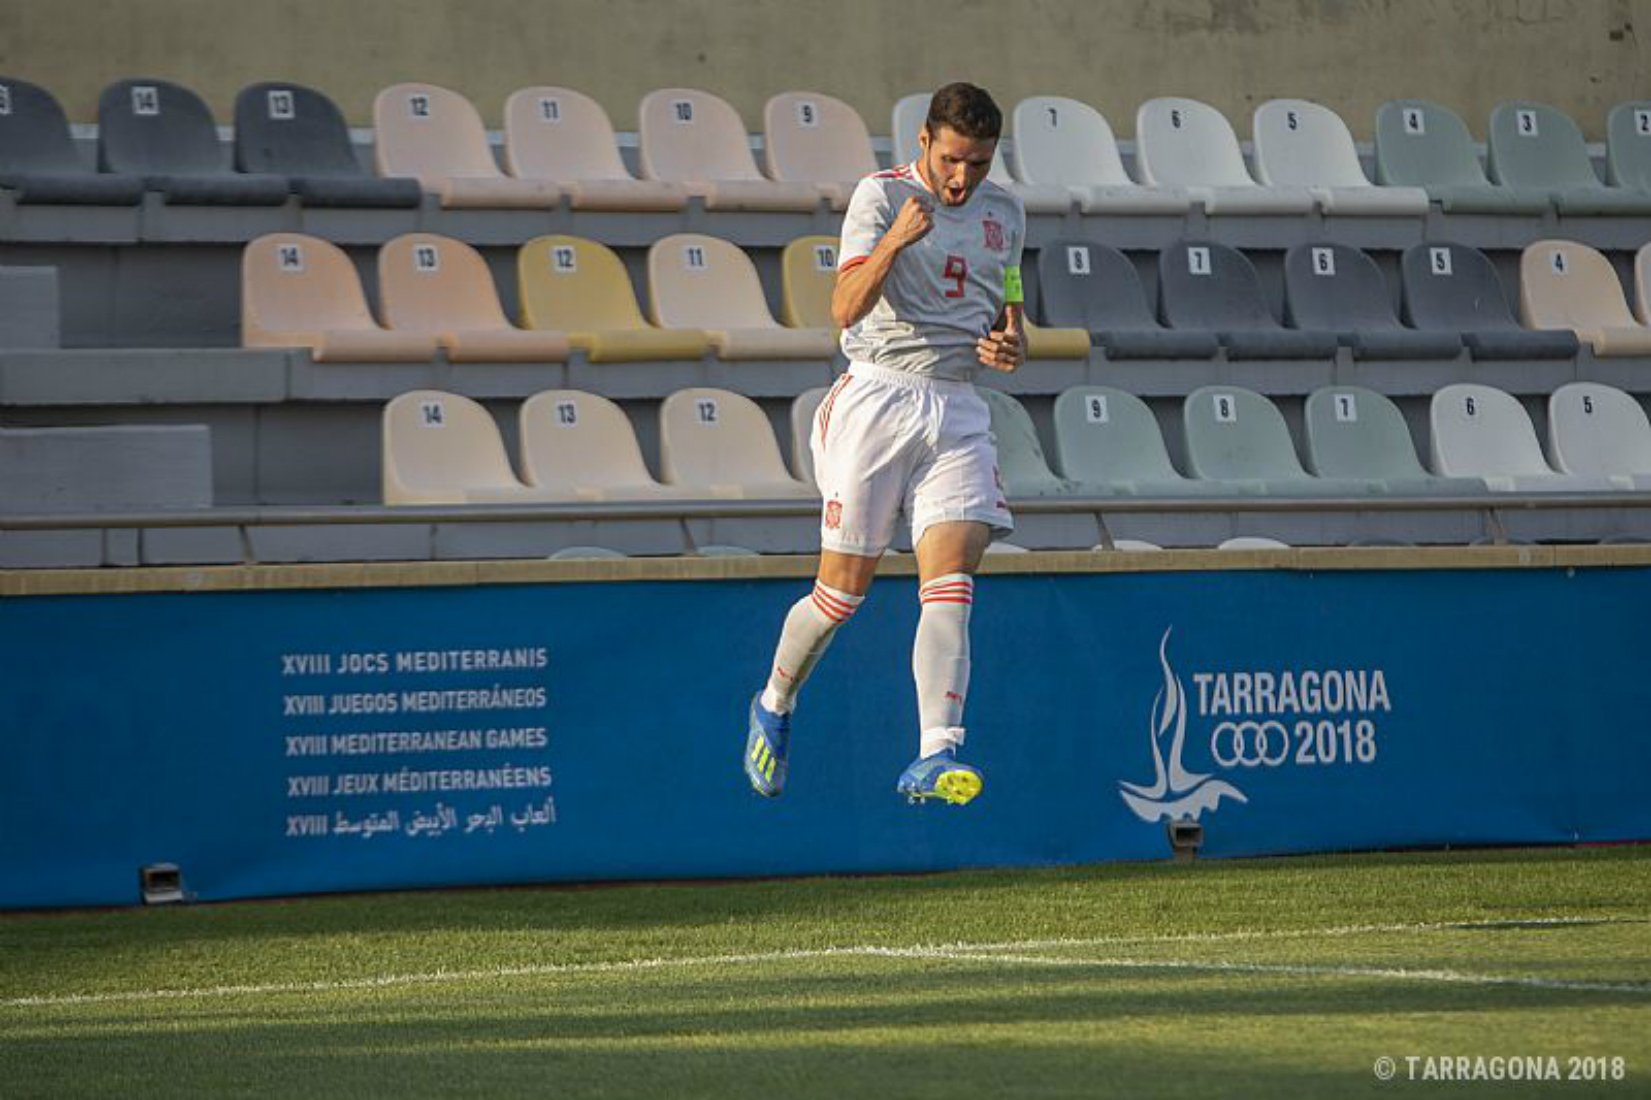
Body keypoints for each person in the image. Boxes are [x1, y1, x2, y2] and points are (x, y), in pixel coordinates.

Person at [744, 81, 1025, 806]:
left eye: (980, 164)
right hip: (876, 395)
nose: (964, 179)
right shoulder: (879, 197)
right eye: (954, 160)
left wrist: (1009, 341)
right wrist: (897, 238)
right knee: (840, 597)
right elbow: (841, 308)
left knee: (952, 582)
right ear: (925, 142)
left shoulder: (1006, 212)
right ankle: (774, 701)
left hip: (958, 402)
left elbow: (1010, 300)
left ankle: (937, 754)